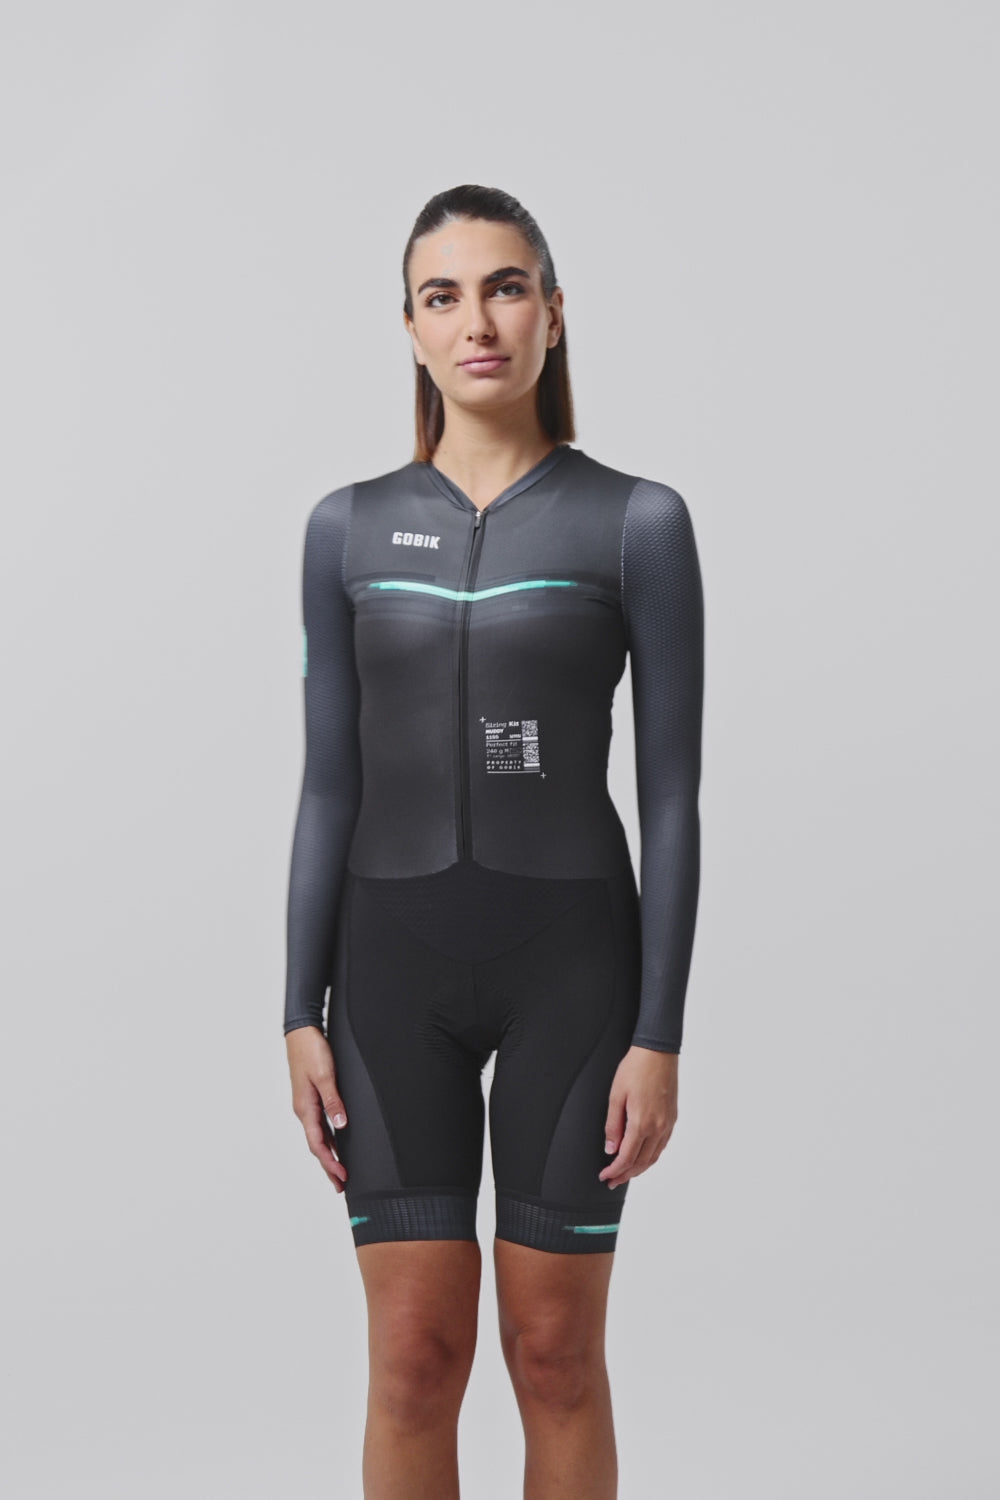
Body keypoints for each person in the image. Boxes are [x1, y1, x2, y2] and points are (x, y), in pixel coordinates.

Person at [283, 184, 705, 1500]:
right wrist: (296, 1009)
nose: (478, 321)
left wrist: (660, 1032)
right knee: (413, 1359)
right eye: (444, 295)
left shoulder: (636, 522)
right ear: (410, 328)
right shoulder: (347, 527)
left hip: (573, 973)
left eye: (506, 287)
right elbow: (329, 783)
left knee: (554, 1356)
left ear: (554, 314)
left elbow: (675, 794)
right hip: (389, 974)